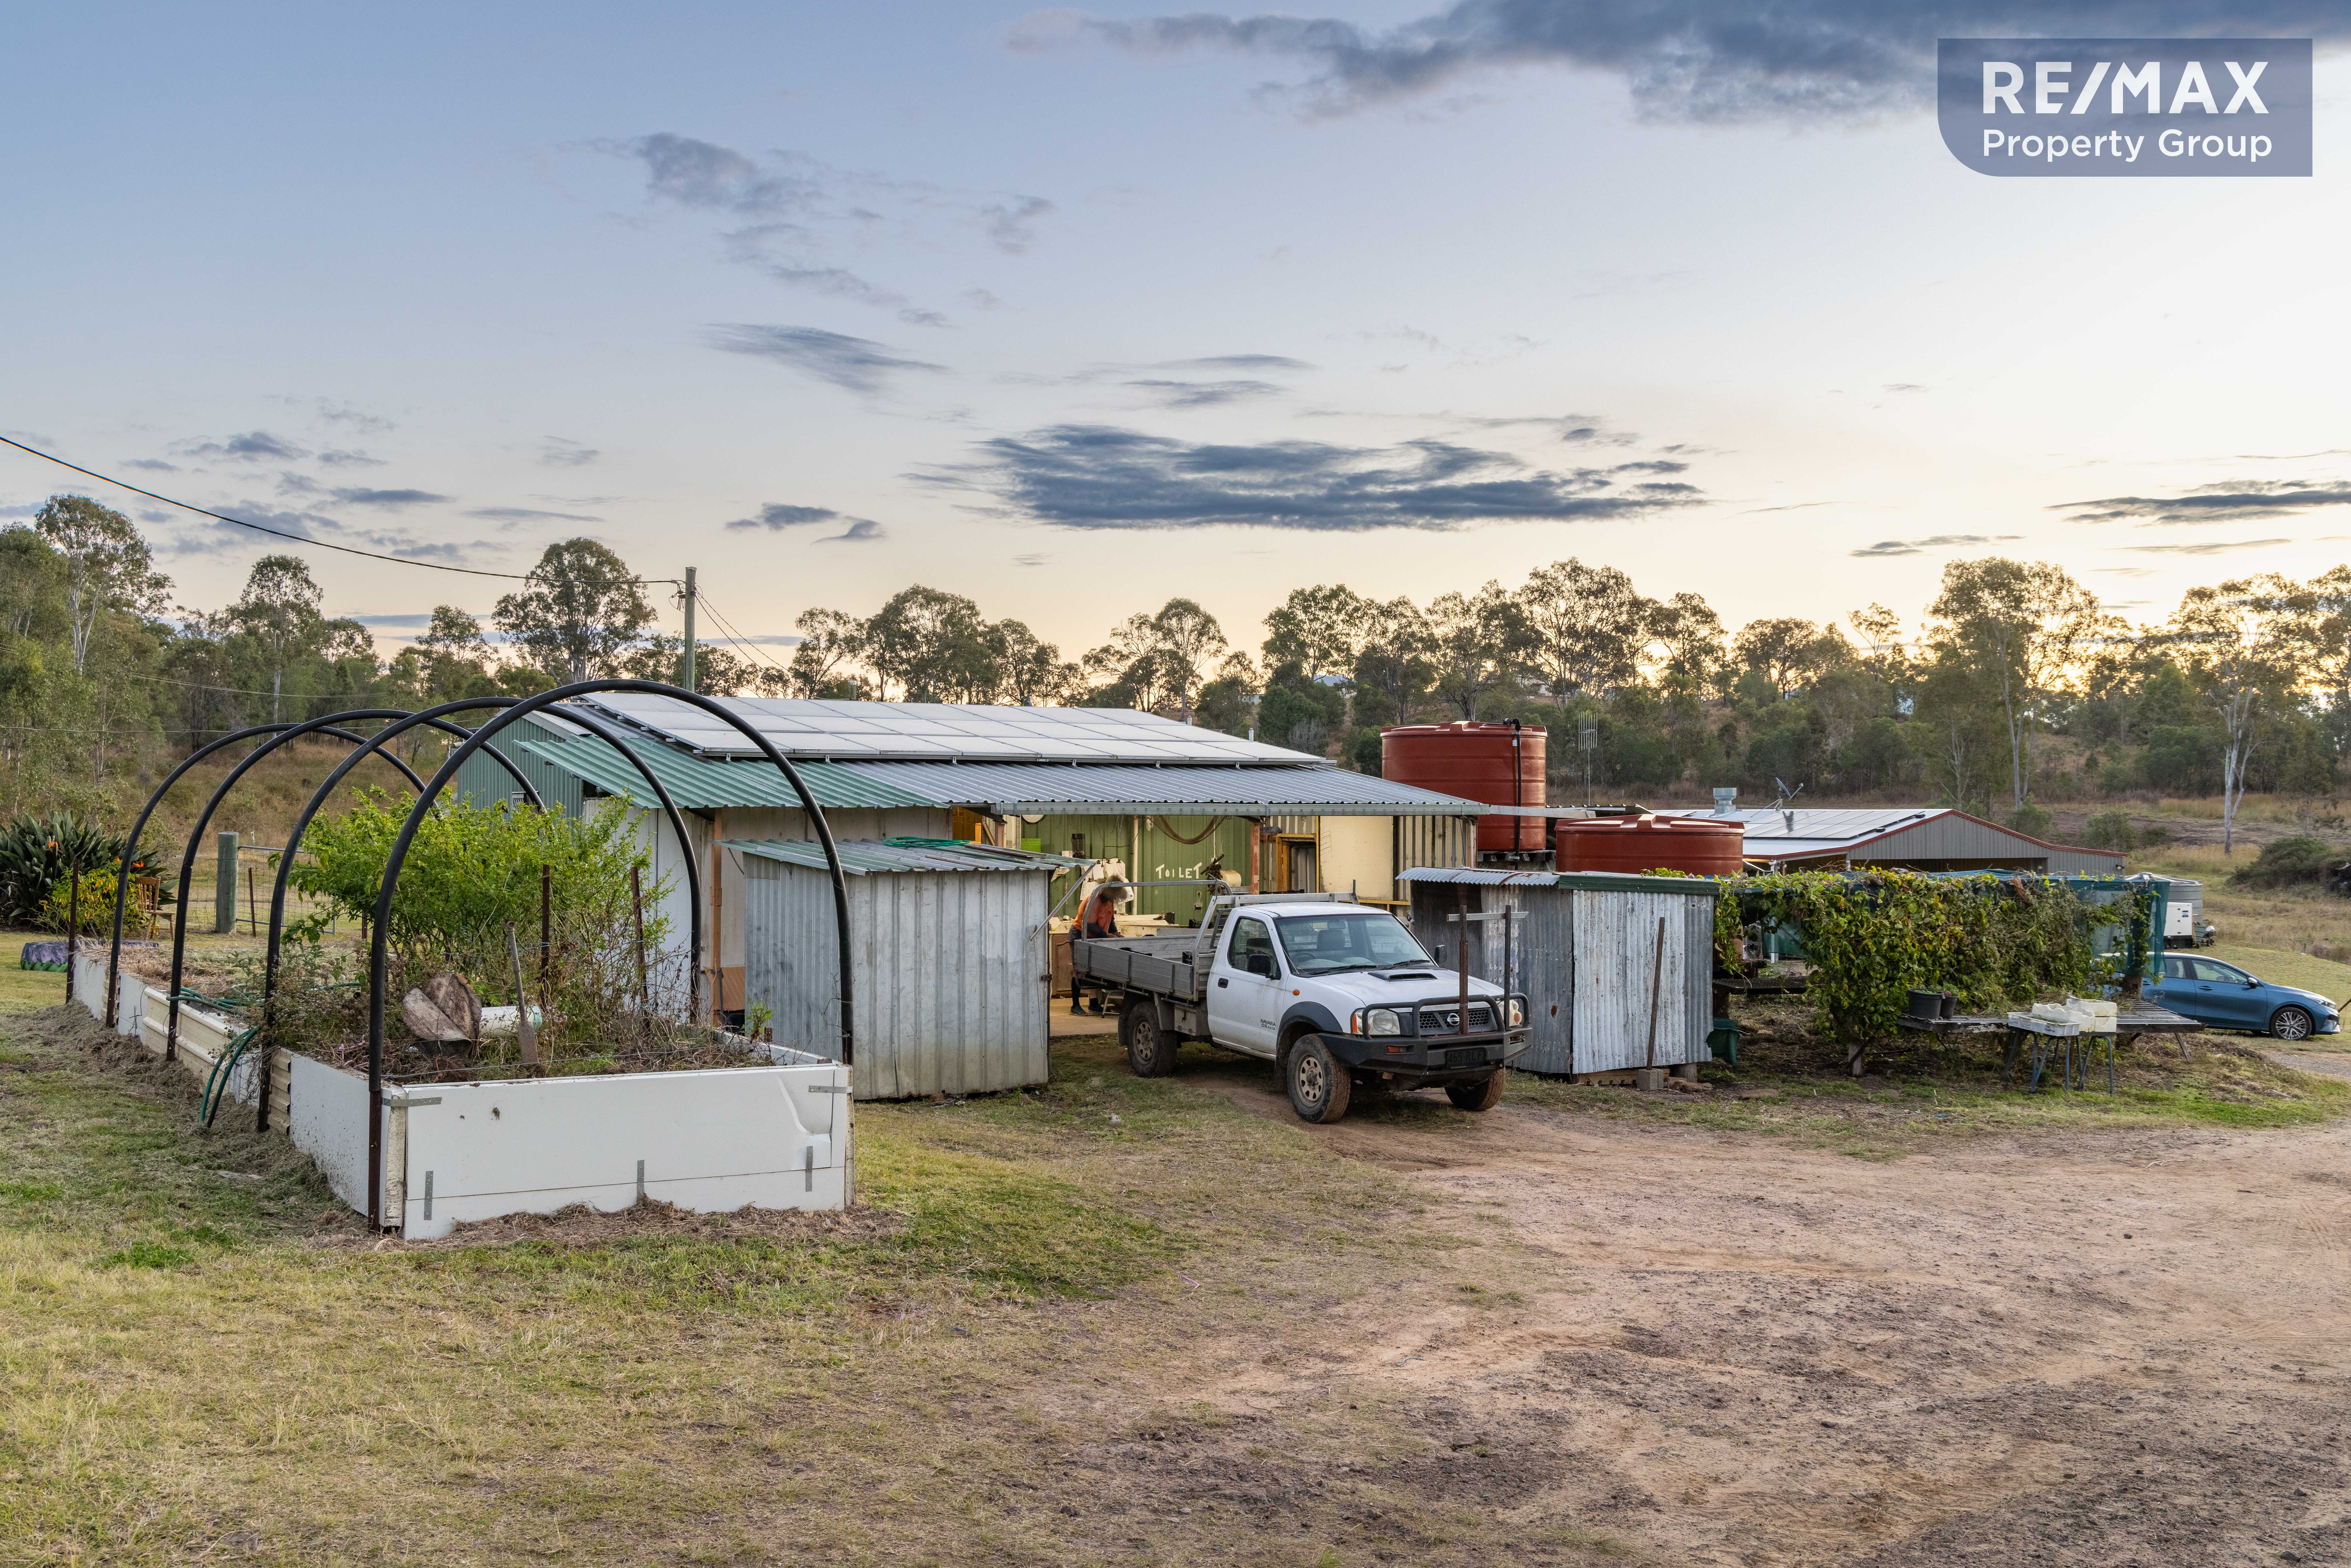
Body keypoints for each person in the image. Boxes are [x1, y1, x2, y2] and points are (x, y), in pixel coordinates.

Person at [1069, 881, 1127, 1015]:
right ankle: (1075, 1006)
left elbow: (1110, 918)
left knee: (1093, 971)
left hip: (1095, 937)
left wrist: (1115, 933)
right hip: (1080, 935)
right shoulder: (1095, 900)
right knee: (1079, 971)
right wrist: (1107, 935)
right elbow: (1090, 925)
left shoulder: (1109, 900)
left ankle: (1094, 1004)